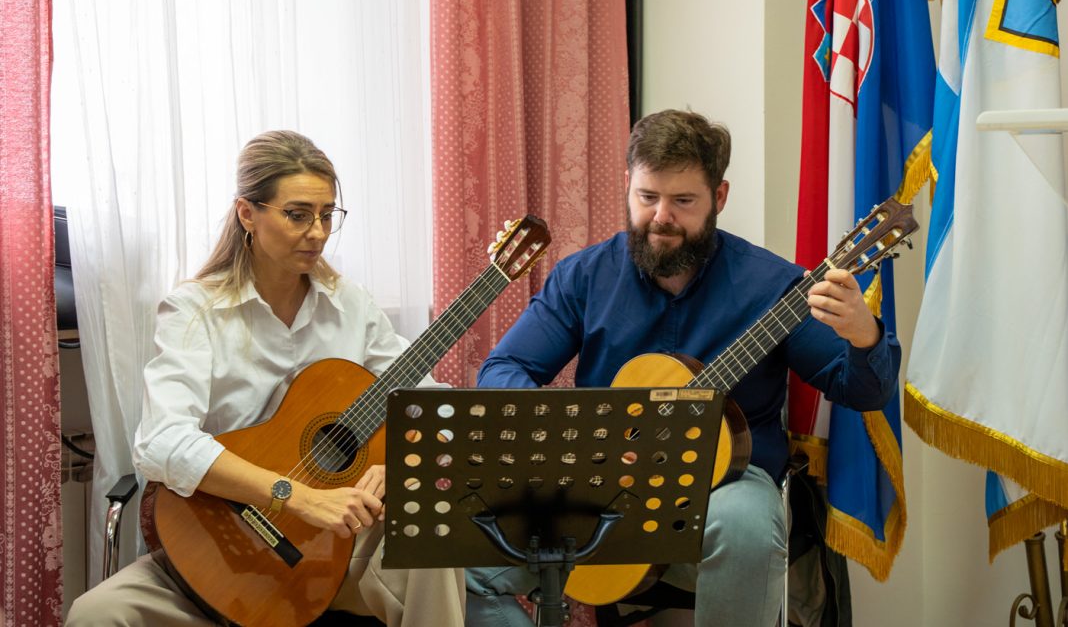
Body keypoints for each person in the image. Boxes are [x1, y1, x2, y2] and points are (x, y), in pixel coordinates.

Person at [464, 109, 900, 626]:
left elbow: (862, 391)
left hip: (727, 486)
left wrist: (864, 335)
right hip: (604, 484)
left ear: (719, 197)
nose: (661, 217)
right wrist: (575, 434)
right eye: (647, 197)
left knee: (746, 528)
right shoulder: (583, 277)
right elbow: (504, 370)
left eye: (683, 201)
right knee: (466, 565)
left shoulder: (773, 286)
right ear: (628, 185)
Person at [67, 131, 465, 626]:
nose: (317, 232)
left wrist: (399, 462)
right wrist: (296, 497)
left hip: (335, 552)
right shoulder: (195, 312)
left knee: (433, 530)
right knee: (96, 614)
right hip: (223, 544)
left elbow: (430, 407)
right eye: (298, 214)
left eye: (327, 215)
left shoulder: (351, 306)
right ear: (247, 213)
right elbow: (162, 442)